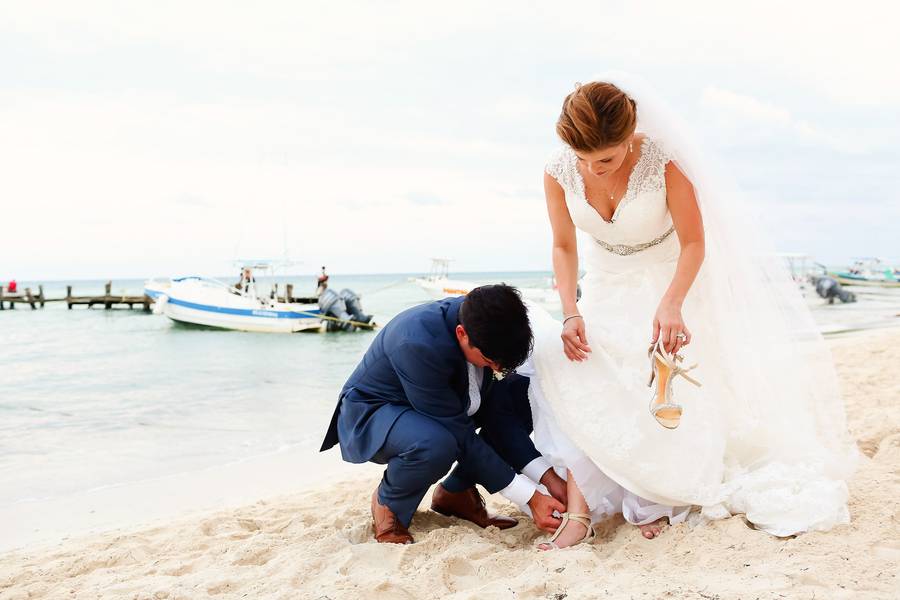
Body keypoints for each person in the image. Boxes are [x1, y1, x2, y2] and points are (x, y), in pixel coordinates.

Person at [525, 76, 857, 550]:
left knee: (660, 383)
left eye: (606, 159)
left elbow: (695, 242)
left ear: (629, 135)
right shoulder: (557, 171)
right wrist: (570, 310)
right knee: (591, 378)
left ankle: (654, 498)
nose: (592, 170)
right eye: (583, 159)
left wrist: (673, 301)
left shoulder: (664, 161)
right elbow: (562, 245)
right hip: (604, 281)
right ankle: (580, 510)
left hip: (669, 277)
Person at [320, 285, 568, 544]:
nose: (496, 368)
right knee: (437, 443)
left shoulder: (491, 322)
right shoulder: (417, 343)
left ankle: (455, 493)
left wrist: (548, 478)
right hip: (373, 412)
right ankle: (389, 505)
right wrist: (530, 497)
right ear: (462, 333)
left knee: (519, 392)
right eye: (490, 360)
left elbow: (501, 418)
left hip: (441, 410)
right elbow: (459, 434)